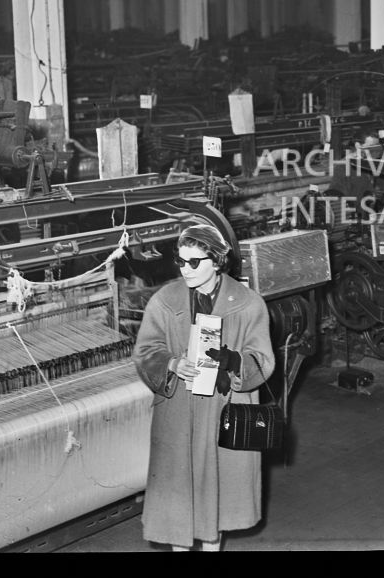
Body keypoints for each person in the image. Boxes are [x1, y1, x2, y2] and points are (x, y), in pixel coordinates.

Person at [132, 223, 275, 552]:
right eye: (181, 261)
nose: (186, 269)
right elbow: (145, 351)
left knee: (217, 502)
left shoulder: (248, 304)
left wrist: (233, 362)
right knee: (177, 504)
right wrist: (172, 364)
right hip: (178, 414)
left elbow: (263, 360)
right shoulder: (164, 301)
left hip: (224, 412)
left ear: (218, 261)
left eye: (194, 262)